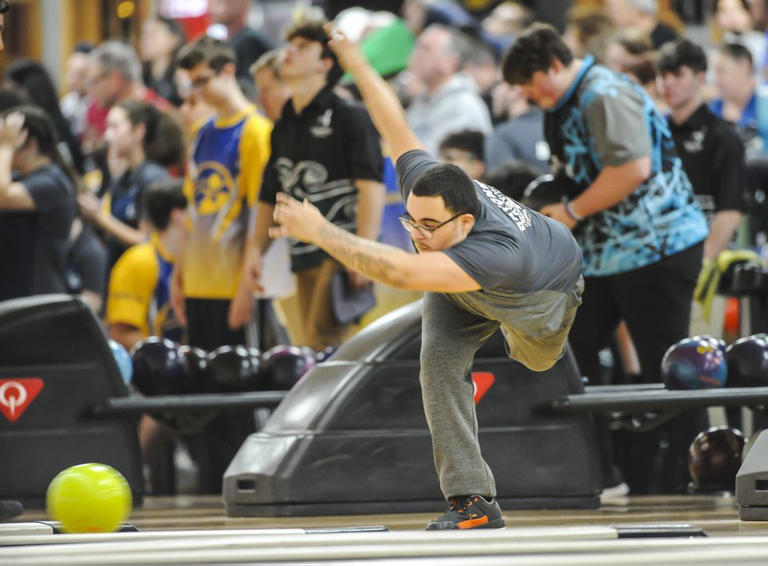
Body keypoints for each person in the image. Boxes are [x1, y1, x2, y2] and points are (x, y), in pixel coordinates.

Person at [265, 23, 584, 531]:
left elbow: (399, 269)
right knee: (437, 365)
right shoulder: (433, 191)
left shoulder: (496, 253)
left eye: (428, 226)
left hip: (544, 291)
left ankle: (521, 335)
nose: (417, 232)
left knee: (534, 359)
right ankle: (473, 501)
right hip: (463, 281)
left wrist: (323, 232)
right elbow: (392, 125)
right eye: (411, 220)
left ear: (464, 222)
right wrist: (356, 61)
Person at [502, 24, 709, 493]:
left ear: (554, 66)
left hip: (658, 247)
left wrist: (572, 211)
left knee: (671, 365)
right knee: (565, 355)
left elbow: (631, 169)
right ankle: (597, 473)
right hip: (606, 256)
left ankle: (700, 476)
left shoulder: (604, 94)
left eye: (531, 85)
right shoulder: (564, 102)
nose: (529, 97)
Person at [173, 36, 273, 494]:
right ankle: (211, 483)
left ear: (229, 70)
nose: (195, 93)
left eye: (202, 81)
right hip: (197, 277)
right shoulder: (201, 132)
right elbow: (194, 210)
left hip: (233, 277)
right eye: (191, 84)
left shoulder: (254, 130)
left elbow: (260, 210)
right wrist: (178, 271)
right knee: (205, 390)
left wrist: (245, 285)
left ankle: (246, 483)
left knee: (239, 391)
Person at [248, 19, 385, 351]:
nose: (290, 52)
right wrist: (255, 252)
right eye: (290, 45)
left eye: (303, 47)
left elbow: (371, 186)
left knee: (323, 344)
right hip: (301, 251)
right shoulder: (283, 126)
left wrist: (363, 253)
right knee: (312, 349)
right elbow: (271, 195)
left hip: (340, 250)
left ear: (325, 64)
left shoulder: (348, 115)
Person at [659, 39, 746, 335]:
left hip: (705, 271)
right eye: (663, 75)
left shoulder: (722, 136)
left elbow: (730, 210)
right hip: (659, 267)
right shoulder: (654, 133)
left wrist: (702, 265)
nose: (668, 83)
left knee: (701, 358)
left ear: (699, 78)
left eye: (677, 74)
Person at [78, 100, 171, 270]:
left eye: (114, 127)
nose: (107, 135)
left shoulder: (153, 178)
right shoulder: (123, 178)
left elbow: (146, 239)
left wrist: (100, 217)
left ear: (138, 131)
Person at [0, 106, 77, 301]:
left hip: (37, 299)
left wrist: (6, 146)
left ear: (31, 144)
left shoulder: (53, 183)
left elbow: (2, 195)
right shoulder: (17, 178)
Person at [106, 180, 186, 351]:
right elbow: (121, 334)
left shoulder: (194, 261)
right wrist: (174, 357)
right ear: (178, 215)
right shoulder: (139, 261)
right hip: (153, 370)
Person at [405, 24, 493, 156]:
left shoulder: (463, 105)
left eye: (425, 49)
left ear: (450, 62)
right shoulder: (421, 100)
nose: (415, 55)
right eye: (417, 47)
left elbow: (451, 167)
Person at [140, 17, 187, 107]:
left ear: (173, 39)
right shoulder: (141, 74)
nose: (145, 41)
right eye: (144, 35)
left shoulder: (182, 74)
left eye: (152, 35)